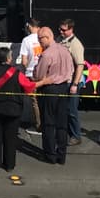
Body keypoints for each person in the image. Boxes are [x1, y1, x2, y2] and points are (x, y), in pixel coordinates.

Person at [0, 47, 37, 172]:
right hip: (13, 109)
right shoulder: (17, 73)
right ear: (9, 58)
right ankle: (9, 165)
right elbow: (28, 87)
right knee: (10, 138)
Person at [31, 26, 75, 165]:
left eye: (40, 39)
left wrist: (38, 78)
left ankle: (50, 154)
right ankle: (61, 155)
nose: (39, 42)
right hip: (63, 88)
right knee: (62, 124)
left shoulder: (47, 54)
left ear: (48, 37)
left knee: (48, 123)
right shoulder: (65, 51)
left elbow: (39, 75)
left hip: (49, 89)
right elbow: (71, 70)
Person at [58, 18, 86, 145]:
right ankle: (67, 132)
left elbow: (80, 65)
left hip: (72, 82)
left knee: (72, 111)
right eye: (60, 29)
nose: (61, 32)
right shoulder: (59, 40)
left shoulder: (76, 44)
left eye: (64, 30)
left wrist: (75, 84)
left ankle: (76, 136)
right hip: (62, 80)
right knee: (63, 109)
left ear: (71, 29)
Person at [18, 18, 43, 135]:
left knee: (35, 101)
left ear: (29, 26)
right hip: (44, 74)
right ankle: (46, 123)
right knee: (44, 99)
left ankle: (39, 126)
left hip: (31, 74)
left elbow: (24, 61)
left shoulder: (26, 40)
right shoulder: (44, 38)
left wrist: (28, 67)